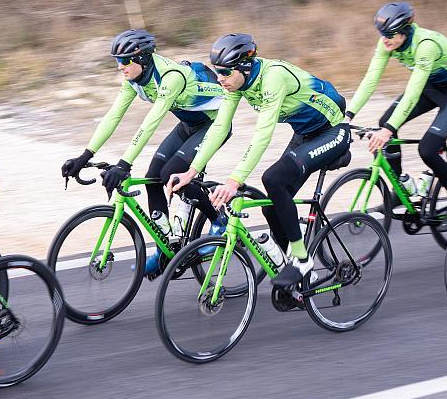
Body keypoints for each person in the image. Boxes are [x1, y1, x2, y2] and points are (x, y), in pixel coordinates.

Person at [168, 33, 350, 287]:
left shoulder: (272, 77)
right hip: (306, 134)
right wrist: (191, 172)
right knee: (271, 206)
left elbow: (263, 135)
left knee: (273, 178)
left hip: (333, 131)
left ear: (244, 66)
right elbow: (220, 127)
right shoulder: (236, 84)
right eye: (217, 72)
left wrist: (234, 181)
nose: (219, 79)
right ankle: (299, 269)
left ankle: (301, 260)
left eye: (225, 73)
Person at [61, 29, 229, 275]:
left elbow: (150, 123)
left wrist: (124, 164)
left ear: (142, 58)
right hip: (189, 124)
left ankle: (218, 220)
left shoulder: (170, 77)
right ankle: (165, 247)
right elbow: (113, 116)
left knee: (170, 174)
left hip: (214, 124)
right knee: (153, 178)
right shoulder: (134, 81)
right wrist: (85, 156)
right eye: (117, 61)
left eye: (125, 60)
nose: (120, 66)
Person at [346, 2, 447, 231]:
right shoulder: (388, 42)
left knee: (428, 149)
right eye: (381, 34)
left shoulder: (426, 45)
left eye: (390, 35)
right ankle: (402, 187)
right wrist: (348, 115)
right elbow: (371, 79)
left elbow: (412, 92)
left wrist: (389, 130)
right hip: (432, 85)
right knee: (384, 122)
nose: (384, 40)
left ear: (405, 31)